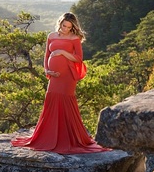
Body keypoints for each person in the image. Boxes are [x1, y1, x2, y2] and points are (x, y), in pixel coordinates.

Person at [11, 12, 110, 154]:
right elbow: (46, 55)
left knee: (65, 101)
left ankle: (68, 138)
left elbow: (78, 58)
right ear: (60, 23)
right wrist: (47, 70)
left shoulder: (74, 38)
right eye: (64, 26)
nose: (65, 29)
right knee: (51, 98)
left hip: (68, 76)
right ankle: (49, 135)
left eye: (69, 27)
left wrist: (62, 52)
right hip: (54, 76)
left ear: (73, 27)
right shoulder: (51, 36)